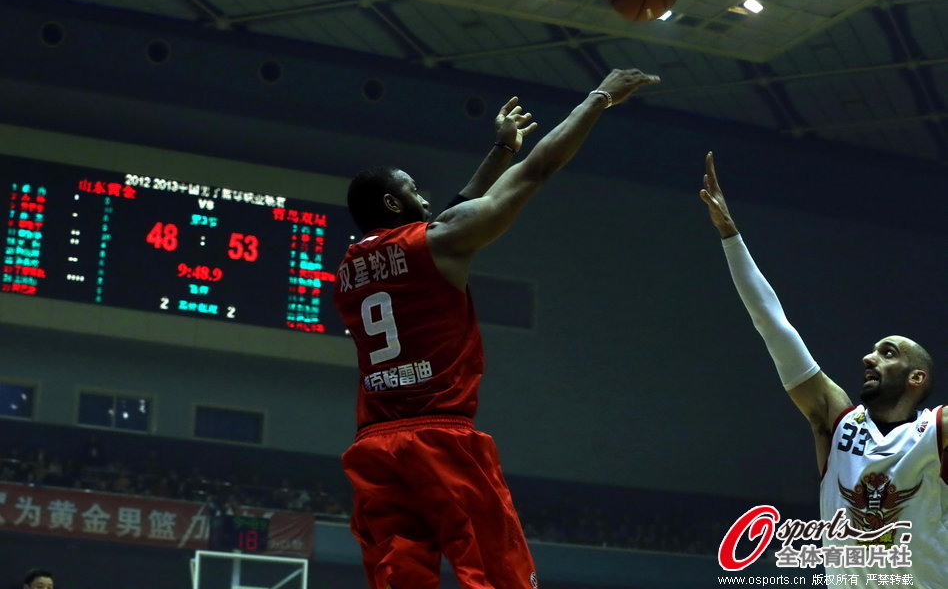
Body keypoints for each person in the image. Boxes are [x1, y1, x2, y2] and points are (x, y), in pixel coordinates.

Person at [334, 69, 660, 589]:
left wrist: (498, 150)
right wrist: (598, 100)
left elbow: (447, 218)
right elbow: (539, 171)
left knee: (399, 577)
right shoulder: (439, 244)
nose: (425, 197)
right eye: (412, 190)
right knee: (495, 572)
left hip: (375, 446)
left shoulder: (349, 269)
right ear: (394, 205)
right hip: (439, 436)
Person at [699, 152, 947, 587]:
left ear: (917, 378)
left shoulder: (938, 430)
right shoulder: (836, 421)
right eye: (872, 350)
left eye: (887, 353)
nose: (869, 358)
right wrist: (730, 236)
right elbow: (773, 326)